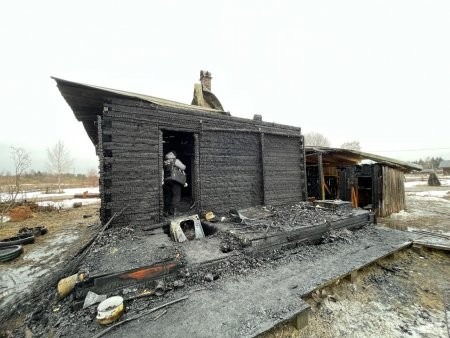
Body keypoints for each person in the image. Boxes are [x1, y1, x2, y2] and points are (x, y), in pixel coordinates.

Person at [163, 151, 187, 216]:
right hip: (174, 180)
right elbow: (183, 167)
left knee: (168, 196)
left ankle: (166, 211)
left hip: (166, 180)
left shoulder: (165, 162)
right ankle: (174, 212)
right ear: (174, 155)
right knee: (176, 196)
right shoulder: (175, 160)